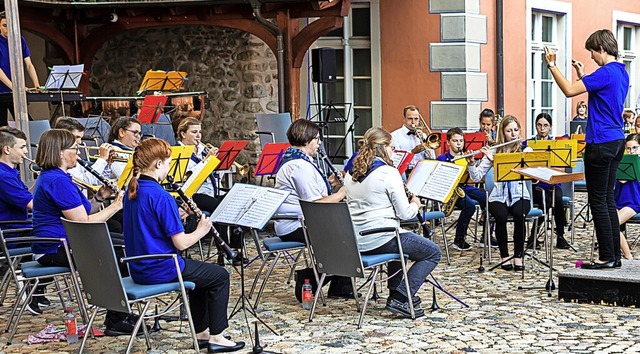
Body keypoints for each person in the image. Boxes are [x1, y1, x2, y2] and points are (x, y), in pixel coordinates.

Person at [123, 138, 244, 353]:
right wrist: (202, 229)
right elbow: (181, 242)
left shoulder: (133, 191)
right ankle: (217, 336)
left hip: (139, 266)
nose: (169, 168)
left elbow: (152, 224)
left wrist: (179, 215)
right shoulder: (161, 196)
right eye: (168, 163)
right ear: (158, 164)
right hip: (162, 266)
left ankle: (201, 333)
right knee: (219, 276)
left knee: (200, 277)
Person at [31, 129, 135, 333]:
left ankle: (121, 312)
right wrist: (116, 205)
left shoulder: (58, 177)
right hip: (54, 248)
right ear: (60, 152)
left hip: (62, 242)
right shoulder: (57, 180)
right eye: (75, 149)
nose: (78, 154)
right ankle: (117, 318)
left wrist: (100, 197)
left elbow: (83, 211)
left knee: (122, 241)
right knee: (119, 254)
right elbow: (83, 223)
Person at [544, 29, 628, 269]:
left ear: (601, 49)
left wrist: (552, 66)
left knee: (598, 202)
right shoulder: (621, 72)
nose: (591, 57)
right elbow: (603, 95)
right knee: (608, 201)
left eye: (592, 52)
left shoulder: (605, 72)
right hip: (616, 140)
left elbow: (570, 90)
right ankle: (615, 256)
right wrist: (582, 74)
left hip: (599, 142)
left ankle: (606, 257)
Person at [344, 127, 441, 318]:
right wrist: (415, 203)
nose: (393, 152)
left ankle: (395, 294)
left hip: (356, 239)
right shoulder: (388, 173)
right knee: (432, 252)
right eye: (392, 148)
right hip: (381, 237)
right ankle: (401, 297)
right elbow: (404, 214)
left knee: (402, 245)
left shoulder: (351, 173)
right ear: (384, 148)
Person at [273, 119, 352, 298]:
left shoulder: (302, 161)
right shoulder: (299, 165)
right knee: (343, 236)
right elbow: (314, 205)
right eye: (316, 139)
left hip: (305, 220)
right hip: (294, 224)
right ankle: (309, 278)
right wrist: (341, 194)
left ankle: (341, 286)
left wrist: (330, 183)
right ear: (306, 139)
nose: (319, 143)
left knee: (344, 232)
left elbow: (315, 194)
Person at [468, 116, 531, 271]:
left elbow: (532, 173)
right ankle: (504, 257)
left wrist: (496, 160)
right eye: (509, 131)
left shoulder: (526, 150)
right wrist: (470, 163)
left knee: (519, 214)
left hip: (520, 194)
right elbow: (476, 177)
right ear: (503, 133)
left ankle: (518, 256)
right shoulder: (494, 150)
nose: (514, 134)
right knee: (501, 216)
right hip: (498, 195)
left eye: (516, 130)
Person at [523, 113, 570, 250]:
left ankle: (560, 236)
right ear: (535, 126)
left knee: (558, 199)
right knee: (546, 201)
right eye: (539, 125)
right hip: (536, 184)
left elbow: (561, 169)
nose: (542, 129)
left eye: (545, 125)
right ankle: (533, 236)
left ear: (550, 127)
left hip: (553, 182)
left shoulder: (556, 145)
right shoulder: (528, 144)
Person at [436, 127, 487, 251]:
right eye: (455, 141)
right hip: (452, 190)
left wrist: (472, 163)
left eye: (461, 141)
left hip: (467, 187)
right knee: (469, 205)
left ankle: (486, 236)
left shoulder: (466, 157)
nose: (459, 144)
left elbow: (475, 177)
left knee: (489, 199)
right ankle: (459, 239)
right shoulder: (442, 159)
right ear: (448, 142)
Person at [0, 11, 41, 127]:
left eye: (10, 24)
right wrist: (16, 87)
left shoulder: (20, 40)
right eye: (4, 25)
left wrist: (37, 85)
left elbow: (29, 64)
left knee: (26, 122)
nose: (8, 28)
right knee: (2, 125)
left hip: (14, 91)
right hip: (2, 90)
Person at [390, 105, 436, 177]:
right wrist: (412, 152)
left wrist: (424, 141)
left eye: (416, 119)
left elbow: (432, 158)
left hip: (421, 172)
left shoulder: (423, 135)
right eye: (410, 119)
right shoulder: (395, 136)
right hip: (404, 173)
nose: (413, 122)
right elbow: (396, 159)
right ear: (404, 119)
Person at [614, 134, 640, 260]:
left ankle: (628, 256)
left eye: (635, 148)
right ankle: (616, 253)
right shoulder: (621, 162)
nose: (631, 151)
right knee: (605, 222)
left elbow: (624, 180)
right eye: (628, 148)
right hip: (617, 199)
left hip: (633, 201)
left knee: (613, 223)